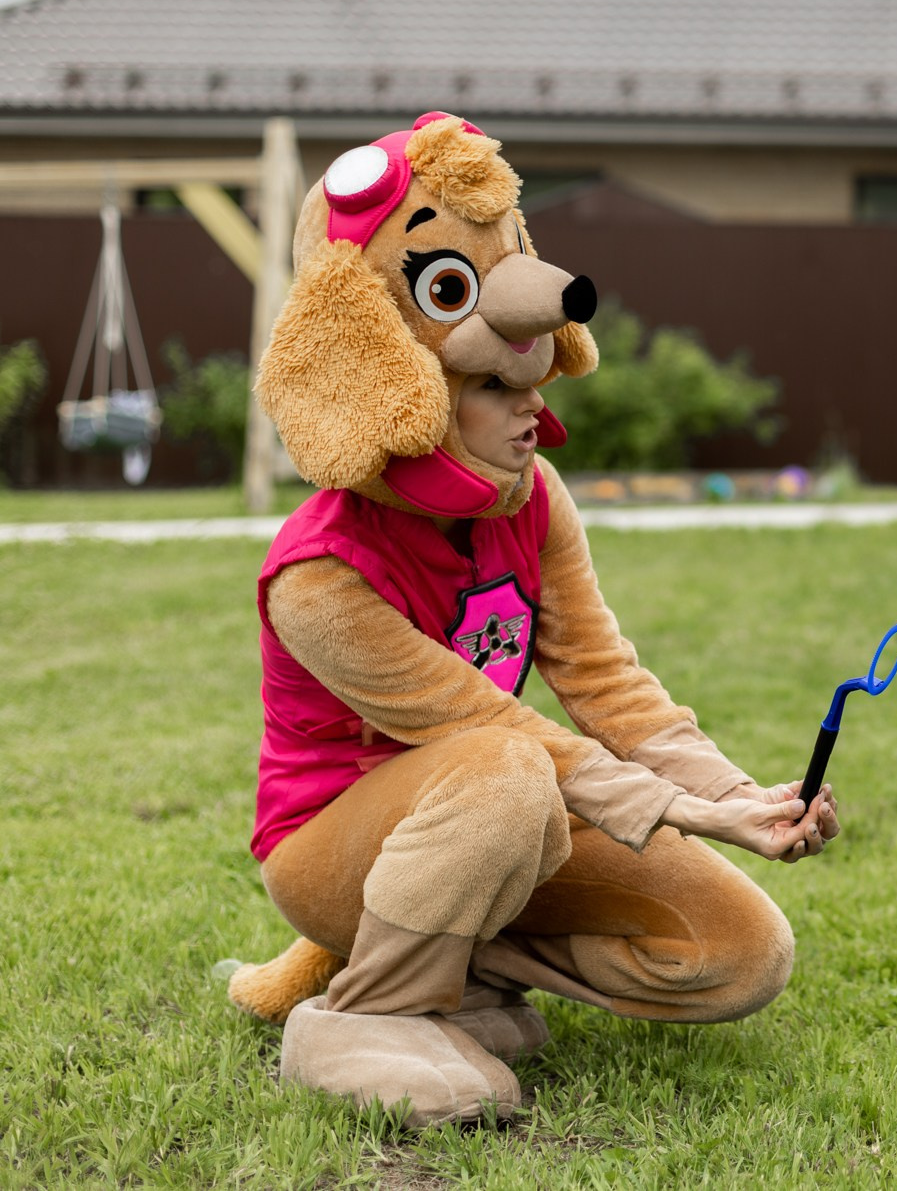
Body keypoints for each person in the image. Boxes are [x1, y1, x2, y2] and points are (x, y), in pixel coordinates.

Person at [239, 111, 838, 1127]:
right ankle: (364, 1008)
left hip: (497, 822)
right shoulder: (318, 573)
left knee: (738, 952)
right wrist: (683, 812)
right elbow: (490, 731)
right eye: (490, 383)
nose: (531, 408)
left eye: (530, 377)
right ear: (412, 389)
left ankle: (460, 982)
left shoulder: (535, 495)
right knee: (507, 767)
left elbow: (608, 686)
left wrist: (743, 798)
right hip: (337, 848)